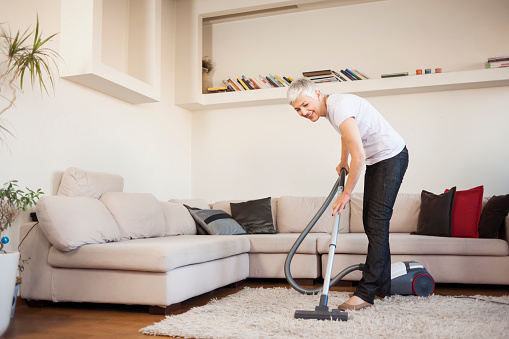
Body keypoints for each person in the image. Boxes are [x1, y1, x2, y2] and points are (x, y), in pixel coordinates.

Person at [287, 78, 409, 311]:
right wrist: (343, 159)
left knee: (377, 222)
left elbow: (360, 156)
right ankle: (383, 288)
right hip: (378, 160)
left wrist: (347, 194)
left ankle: (366, 293)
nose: (303, 112)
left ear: (317, 93)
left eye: (305, 104)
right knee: (373, 223)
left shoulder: (339, 106)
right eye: (297, 109)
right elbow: (346, 133)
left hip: (391, 157)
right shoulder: (333, 110)